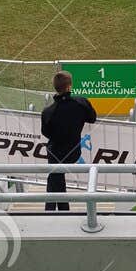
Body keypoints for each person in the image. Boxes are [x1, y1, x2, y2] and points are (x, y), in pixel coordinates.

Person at [40, 71, 97, 212]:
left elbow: (46, 133)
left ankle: (51, 212)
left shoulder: (48, 111)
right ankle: (63, 210)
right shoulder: (81, 103)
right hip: (74, 152)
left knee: (54, 176)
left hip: (56, 154)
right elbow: (92, 118)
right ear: (69, 87)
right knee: (56, 177)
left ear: (55, 88)